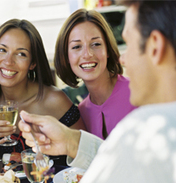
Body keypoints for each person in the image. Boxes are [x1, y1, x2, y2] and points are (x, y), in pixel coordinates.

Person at [19, 0, 176, 183]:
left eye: (129, 44)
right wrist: (70, 141)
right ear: (65, 56)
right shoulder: (81, 110)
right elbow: (125, 169)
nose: (123, 58)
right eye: (77, 47)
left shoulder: (147, 110)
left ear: (155, 46)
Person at [0, 19, 85, 165]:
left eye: (21, 54)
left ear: (33, 63)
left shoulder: (55, 101)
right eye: (2, 50)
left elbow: (86, 156)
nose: (8, 61)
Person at [54, 8, 137, 139]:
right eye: (77, 47)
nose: (87, 54)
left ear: (108, 50)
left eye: (96, 44)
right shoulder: (81, 114)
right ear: (66, 57)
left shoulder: (137, 93)